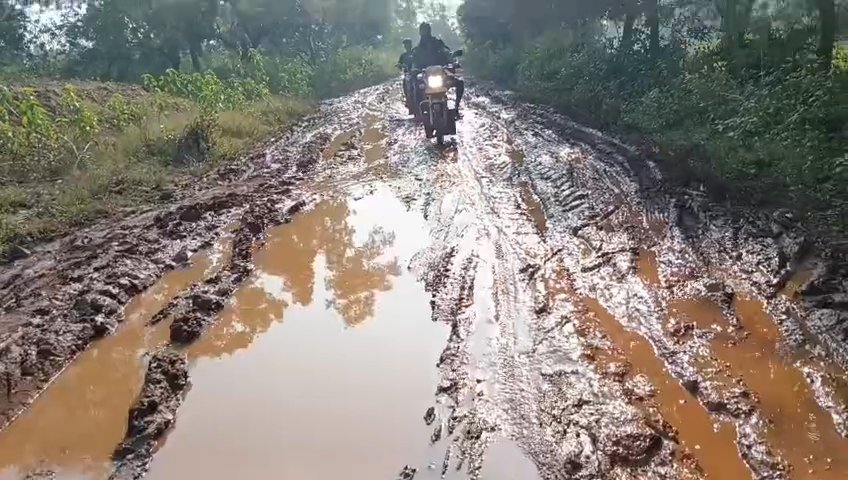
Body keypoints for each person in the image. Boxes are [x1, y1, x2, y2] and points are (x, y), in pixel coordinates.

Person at [413, 22, 465, 114]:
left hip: (441, 71)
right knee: (416, 87)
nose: (425, 32)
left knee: (459, 82)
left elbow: (446, 51)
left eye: (427, 29)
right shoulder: (418, 49)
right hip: (426, 74)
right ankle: (419, 111)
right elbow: (415, 62)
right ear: (420, 32)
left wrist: (453, 61)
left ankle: (456, 106)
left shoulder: (437, 42)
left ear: (430, 31)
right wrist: (414, 69)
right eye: (423, 30)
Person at [397, 39, 415, 113]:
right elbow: (399, 65)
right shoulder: (403, 56)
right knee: (406, 86)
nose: (407, 46)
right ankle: (409, 102)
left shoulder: (415, 53)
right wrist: (400, 65)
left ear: (411, 45)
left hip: (416, 73)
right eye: (405, 45)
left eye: (408, 44)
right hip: (408, 74)